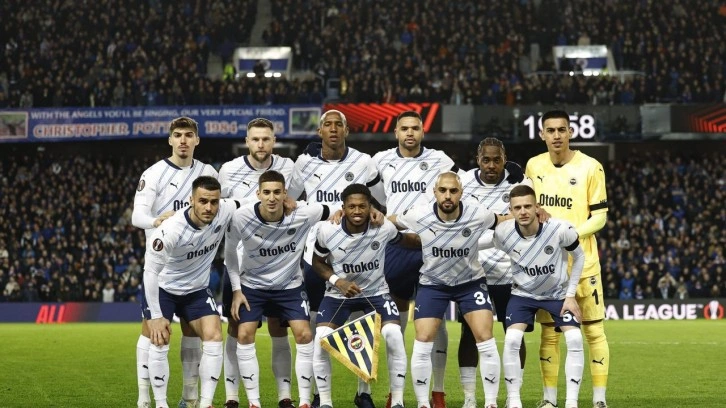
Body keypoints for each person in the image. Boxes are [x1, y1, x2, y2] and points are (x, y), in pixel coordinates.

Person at [287, 109, 385, 408]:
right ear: (319, 132)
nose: (332, 129)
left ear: (346, 130)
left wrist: (376, 211)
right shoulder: (303, 163)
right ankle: (319, 394)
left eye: (338, 125)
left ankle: (363, 392)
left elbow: (381, 201)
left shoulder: (364, 162)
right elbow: (290, 203)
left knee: (362, 322)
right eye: (327, 125)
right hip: (315, 252)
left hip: (357, 251)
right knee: (316, 326)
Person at [388, 172, 508, 408]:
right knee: (423, 339)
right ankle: (423, 403)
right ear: (434, 192)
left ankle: (490, 403)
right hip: (433, 283)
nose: (448, 195)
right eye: (443, 190)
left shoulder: (478, 213)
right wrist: (369, 216)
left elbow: (503, 220)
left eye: (453, 191)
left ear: (461, 193)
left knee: (485, 338)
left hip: (470, 282)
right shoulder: (419, 214)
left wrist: (534, 214)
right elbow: (390, 221)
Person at [372, 110, 459, 408]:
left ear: (423, 132)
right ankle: (395, 392)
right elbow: (372, 194)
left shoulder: (440, 160)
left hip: (430, 246)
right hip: (396, 246)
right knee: (394, 323)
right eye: (404, 128)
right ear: (396, 132)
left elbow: (461, 189)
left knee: (436, 320)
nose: (410, 133)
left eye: (415, 128)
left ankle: (438, 391)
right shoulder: (381, 160)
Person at [224, 170, 331, 408]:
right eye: (267, 192)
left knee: (304, 334)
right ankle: (254, 402)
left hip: (289, 287)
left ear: (285, 194)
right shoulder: (242, 217)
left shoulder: (303, 213)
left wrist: (370, 212)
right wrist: (237, 290)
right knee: (243, 334)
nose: (271, 198)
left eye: (277, 192)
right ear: (258, 194)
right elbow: (229, 252)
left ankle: (303, 401)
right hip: (252, 286)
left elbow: (336, 209)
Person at [132, 116, 218, 408]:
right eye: (178, 135)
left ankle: (190, 398)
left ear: (197, 140)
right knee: (153, 333)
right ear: (170, 139)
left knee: (193, 331)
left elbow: (221, 205)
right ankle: (145, 399)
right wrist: (157, 220)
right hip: (162, 269)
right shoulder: (154, 173)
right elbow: (137, 216)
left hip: (194, 270)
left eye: (188, 135)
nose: (183, 140)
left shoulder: (207, 172)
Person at [526, 110, 609, 408]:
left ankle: (599, 400)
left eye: (562, 129)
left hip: (584, 265)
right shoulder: (534, 165)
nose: (557, 135)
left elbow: (600, 217)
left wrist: (570, 235)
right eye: (551, 130)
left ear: (571, 132)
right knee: (550, 334)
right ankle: (549, 399)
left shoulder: (591, 167)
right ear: (542, 135)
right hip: (548, 268)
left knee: (594, 331)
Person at [311, 184, 420, 408]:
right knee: (321, 338)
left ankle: (397, 402)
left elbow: (406, 241)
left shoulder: (383, 227)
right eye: (351, 206)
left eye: (362, 206)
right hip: (338, 295)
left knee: (394, 334)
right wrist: (337, 281)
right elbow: (317, 262)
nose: (357, 211)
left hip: (376, 293)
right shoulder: (327, 230)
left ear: (370, 207)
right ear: (343, 208)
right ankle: (325, 402)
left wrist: (433, 240)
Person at [218, 118, 296, 408]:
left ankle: (284, 396)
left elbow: (296, 204)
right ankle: (231, 396)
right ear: (247, 141)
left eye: (266, 139)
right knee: (235, 328)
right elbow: (218, 209)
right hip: (239, 265)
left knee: (279, 327)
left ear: (274, 140)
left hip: (279, 264)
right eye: (255, 139)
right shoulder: (228, 170)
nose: (261, 144)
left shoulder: (289, 167)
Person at [143, 176, 237, 408]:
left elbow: (248, 202)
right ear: (191, 200)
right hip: (164, 289)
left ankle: (204, 403)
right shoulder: (170, 230)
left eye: (214, 202)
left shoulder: (224, 210)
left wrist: (291, 202)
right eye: (203, 201)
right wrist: (156, 316)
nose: (209, 207)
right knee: (159, 340)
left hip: (196, 290)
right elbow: (150, 273)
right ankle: (161, 404)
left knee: (214, 336)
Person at [492, 185, 585, 408]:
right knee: (512, 339)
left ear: (537, 207)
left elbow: (579, 257)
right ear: (510, 211)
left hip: (557, 294)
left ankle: (571, 402)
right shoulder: (503, 232)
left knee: (575, 339)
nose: (523, 211)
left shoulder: (560, 229)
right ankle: (514, 400)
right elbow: (482, 243)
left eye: (527, 206)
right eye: (517, 208)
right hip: (522, 294)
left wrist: (570, 295)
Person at [458, 137, 532, 408]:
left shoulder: (518, 185)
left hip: (511, 274)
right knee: (470, 335)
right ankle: (469, 398)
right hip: (473, 274)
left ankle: (514, 396)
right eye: (486, 160)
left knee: (514, 334)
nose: (491, 165)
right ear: (478, 160)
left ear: (504, 160)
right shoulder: (464, 183)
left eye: (497, 160)